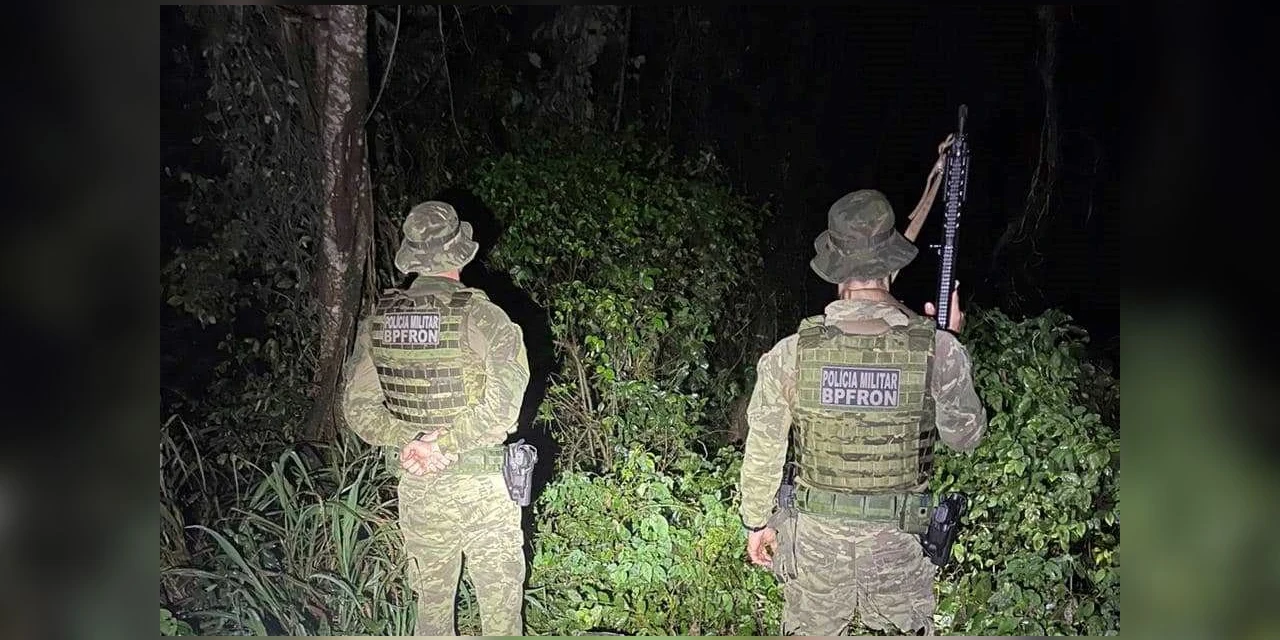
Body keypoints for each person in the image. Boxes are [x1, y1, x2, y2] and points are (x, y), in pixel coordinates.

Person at [737, 189, 987, 635]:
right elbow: (964, 437)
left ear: (836, 267)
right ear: (891, 265)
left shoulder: (791, 355)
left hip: (815, 546)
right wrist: (950, 343)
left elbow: (764, 449)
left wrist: (757, 521)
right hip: (898, 544)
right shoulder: (935, 349)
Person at [340, 200, 531, 636]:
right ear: (460, 251)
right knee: (500, 616)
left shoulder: (380, 320)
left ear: (412, 256)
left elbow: (357, 409)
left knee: (431, 612)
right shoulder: (485, 318)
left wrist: (414, 441)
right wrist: (440, 444)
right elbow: (503, 407)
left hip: (419, 484)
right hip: (483, 487)